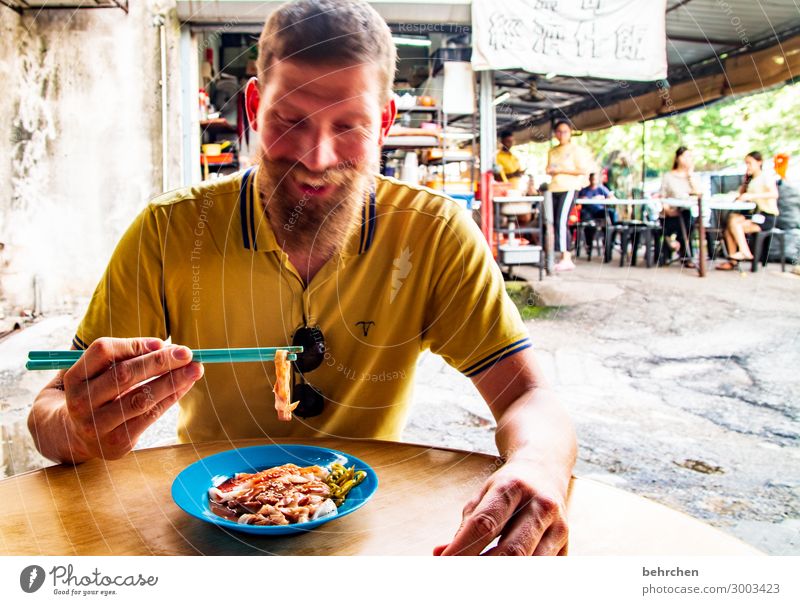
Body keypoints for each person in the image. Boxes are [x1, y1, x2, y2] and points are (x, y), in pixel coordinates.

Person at [27, 0, 575, 557]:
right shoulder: (168, 232)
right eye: (290, 121)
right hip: (208, 524)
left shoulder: (433, 235)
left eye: (350, 126)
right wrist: (80, 427)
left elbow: (528, 396)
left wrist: (538, 465)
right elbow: (47, 410)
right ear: (255, 106)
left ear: (385, 122)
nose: (316, 157)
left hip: (368, 530)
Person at [717, 151, 780, 270]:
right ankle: (733, 261)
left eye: (750, 163)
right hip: (754, 215)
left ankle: (745, 252)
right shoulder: (750, 179)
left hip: (766, 216)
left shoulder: (766, 177)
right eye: (746, 164)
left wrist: (752, 196)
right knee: (731, 222)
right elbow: (741, 194)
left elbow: (774, 194)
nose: (747, 166)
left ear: (759, 162)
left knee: (734, 224)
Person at [546, 120, 591, 272]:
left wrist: (561, 169)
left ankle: (566, 257)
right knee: (551, 222)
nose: (561, 135)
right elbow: (548, 168)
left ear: (570, 132)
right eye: (559, 131)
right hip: (553, 188)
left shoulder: (576, 150)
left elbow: (582, 170)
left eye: (565, 131)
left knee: (561, 221)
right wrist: (555, 170)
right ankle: (556, 255)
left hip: (569, 188)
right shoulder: (552, 151)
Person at [657, 146, 700, 268]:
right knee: (683, 221)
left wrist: (690, 175)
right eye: (685, 156)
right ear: (678, 158)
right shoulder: (668, 176)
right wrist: (668, 210)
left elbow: (698, 194)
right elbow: (662, 196)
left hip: (685, 212)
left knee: (687, 217)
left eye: (690, 157)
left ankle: (684, 252)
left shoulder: (691, 177)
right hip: (669, 214)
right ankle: (680, 251)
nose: (688, 159)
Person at [576, 173, 615, 257]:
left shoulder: (601, 189)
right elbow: (577, 201)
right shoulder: (584, 190)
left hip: (599, 211)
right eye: (592, 179)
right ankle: (589, 246)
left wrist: (603, 198)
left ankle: (609, 241)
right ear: (589, 179)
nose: (594, 180)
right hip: (587, 213)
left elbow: (611, 197)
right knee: (588, 224)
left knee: (611, 214)